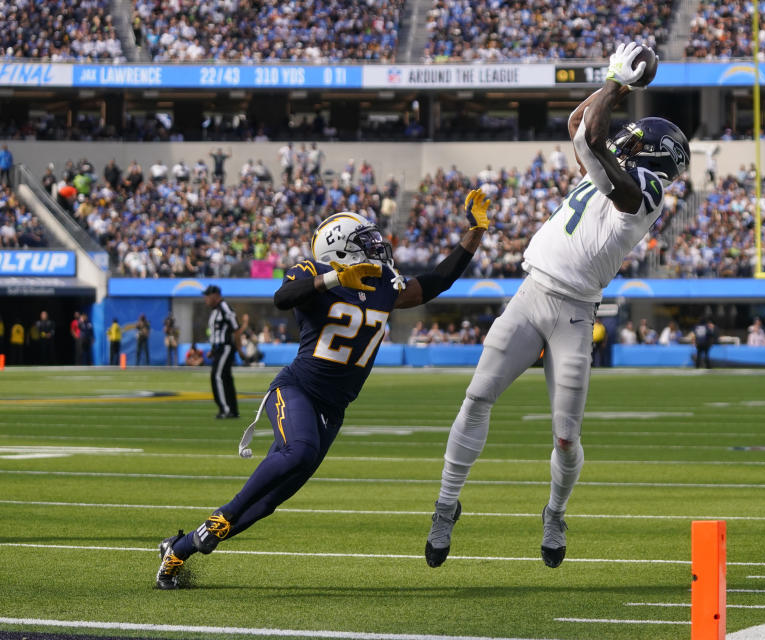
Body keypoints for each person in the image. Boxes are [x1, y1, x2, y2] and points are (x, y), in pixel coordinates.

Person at [424, 42, 689, 569]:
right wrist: (613, 84)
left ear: (656, 154)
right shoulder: (611, 166)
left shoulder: (646, 189)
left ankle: (555, 511)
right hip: (531, 295)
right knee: (476, 399)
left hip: (573, 314)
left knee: (566, 437)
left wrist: (617, 82)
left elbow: (591, 133)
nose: (626, 138)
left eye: (637, 138)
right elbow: (579, 123)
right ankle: (446, 504)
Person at [155, 196, 489, 589]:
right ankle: (210, 527)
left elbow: (437, 281)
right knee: (300, 451)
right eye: (365, 241)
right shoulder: (314, 271)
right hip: (297, 388)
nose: (376, 247)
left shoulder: (383, 283)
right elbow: (283, 298)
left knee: (269, 500)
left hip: (334, 408)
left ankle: (183, 546)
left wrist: (475, 233)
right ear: (340, 248)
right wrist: (333, 279)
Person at [202, 285, 242, 418]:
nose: (206, 299)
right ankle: (232, 410)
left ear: (215, 295)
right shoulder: (215, 311)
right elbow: (216, 333)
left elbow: (236, 328)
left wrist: (239, 348)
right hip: (219, 349)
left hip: (225, 347)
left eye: (208, 296)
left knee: (217, 376)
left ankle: (225, 409)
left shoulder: (224, 308)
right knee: (225, 378)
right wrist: (213, 349)